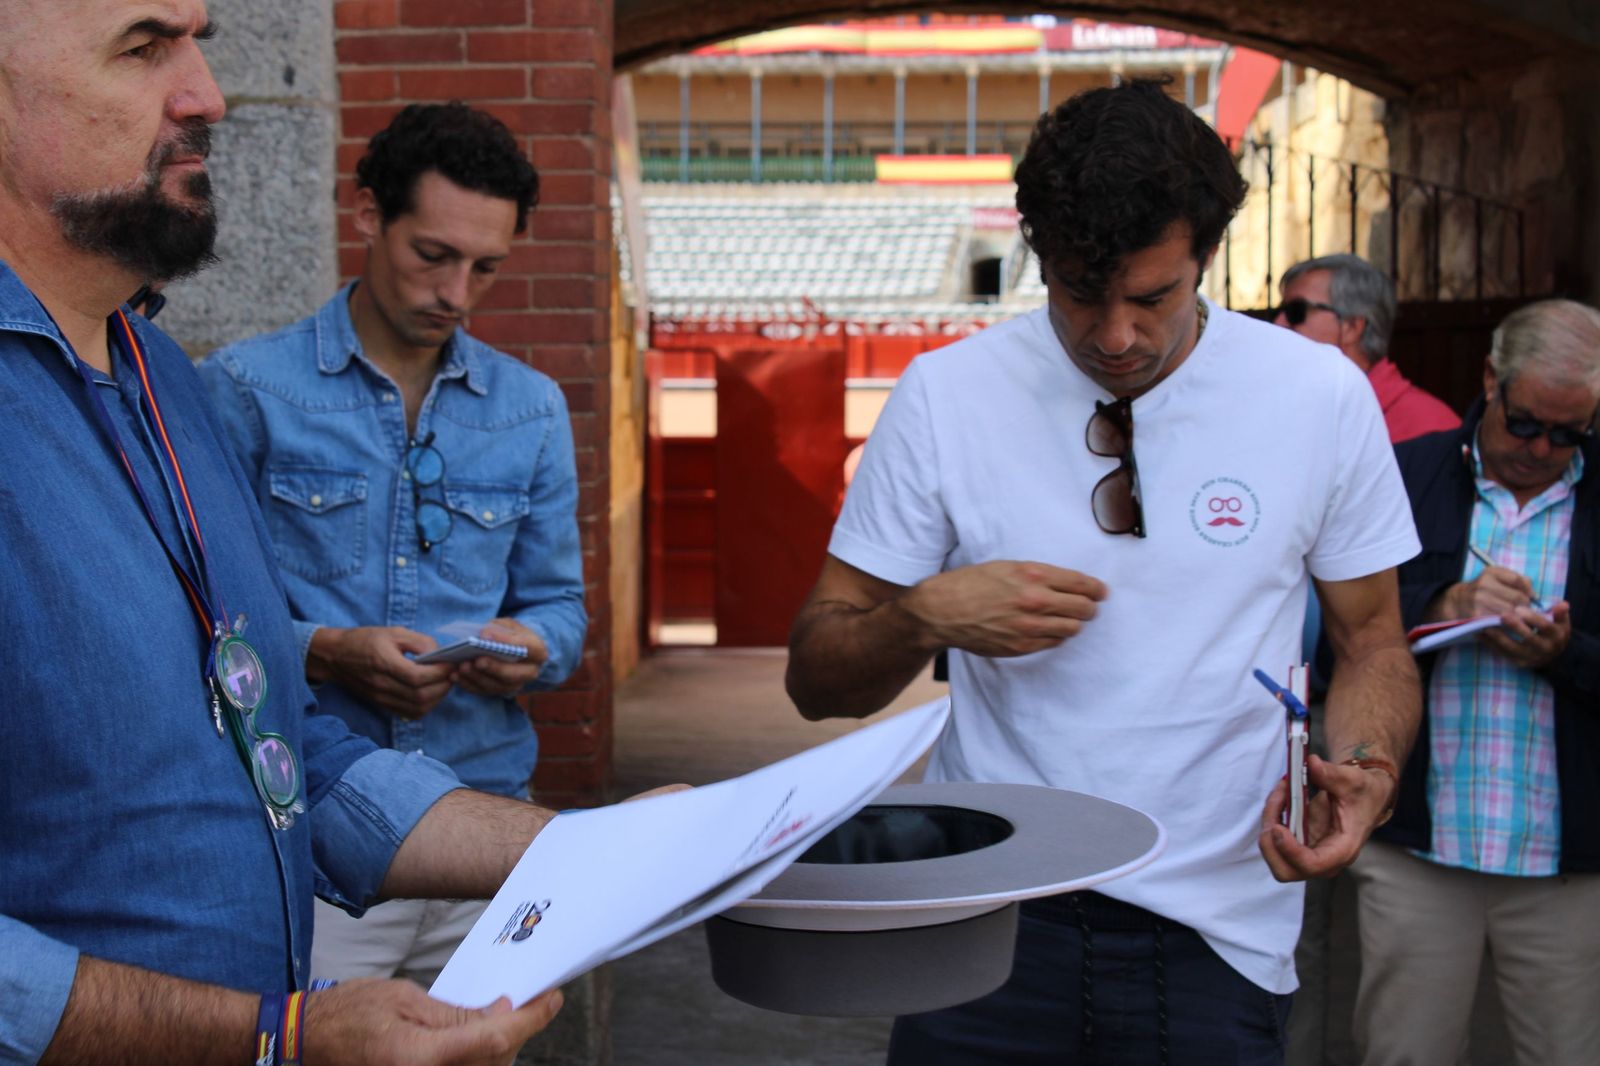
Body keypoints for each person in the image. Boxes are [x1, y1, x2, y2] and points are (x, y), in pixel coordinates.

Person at [786, 79, 1422, 1065]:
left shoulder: (1316, 398)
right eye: (1080, 295)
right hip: (985, 915)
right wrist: (924, 617)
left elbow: (1371, 639)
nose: (1114, 335)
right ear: (1038, 254)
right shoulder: (945, 395)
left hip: (1219, 931)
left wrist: (1369, 773)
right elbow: (815, 680)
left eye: (1152, 297)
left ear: (1205, 257)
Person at [0, 3, 573, 1061]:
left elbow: (275, 736)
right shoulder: (244, 387)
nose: (207, 94)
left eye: (198, 40)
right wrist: (271, 1036)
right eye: (144, 45)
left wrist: (589, 851)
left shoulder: (161, 377)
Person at [199, 102, 586, 989]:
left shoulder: (530, 408)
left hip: (488, 818)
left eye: (486, 267)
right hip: (320, 836)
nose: (455, 293)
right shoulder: (246, 389)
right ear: (368, 213)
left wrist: (531, 647)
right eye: (433, 255)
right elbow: (198, 619)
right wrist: (327, 652)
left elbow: (560, 613)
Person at [1349, 299, 1600, 1066]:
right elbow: (1335, 642)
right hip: (1419, 846)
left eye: (1568, 435)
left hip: (1566, 859)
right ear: (1491, 379)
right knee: (1403, 1053)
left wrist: (1566, 652)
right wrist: (1441, 605)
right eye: (1525, 423)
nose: (1541, 449)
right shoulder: (1408, 472)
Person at [1276, 253, 1458, 443]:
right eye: (1278, 312)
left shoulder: (1428, 428)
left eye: (1295, 312)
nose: (1278, 323)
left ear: (1352, 326)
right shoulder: (1293, 408)